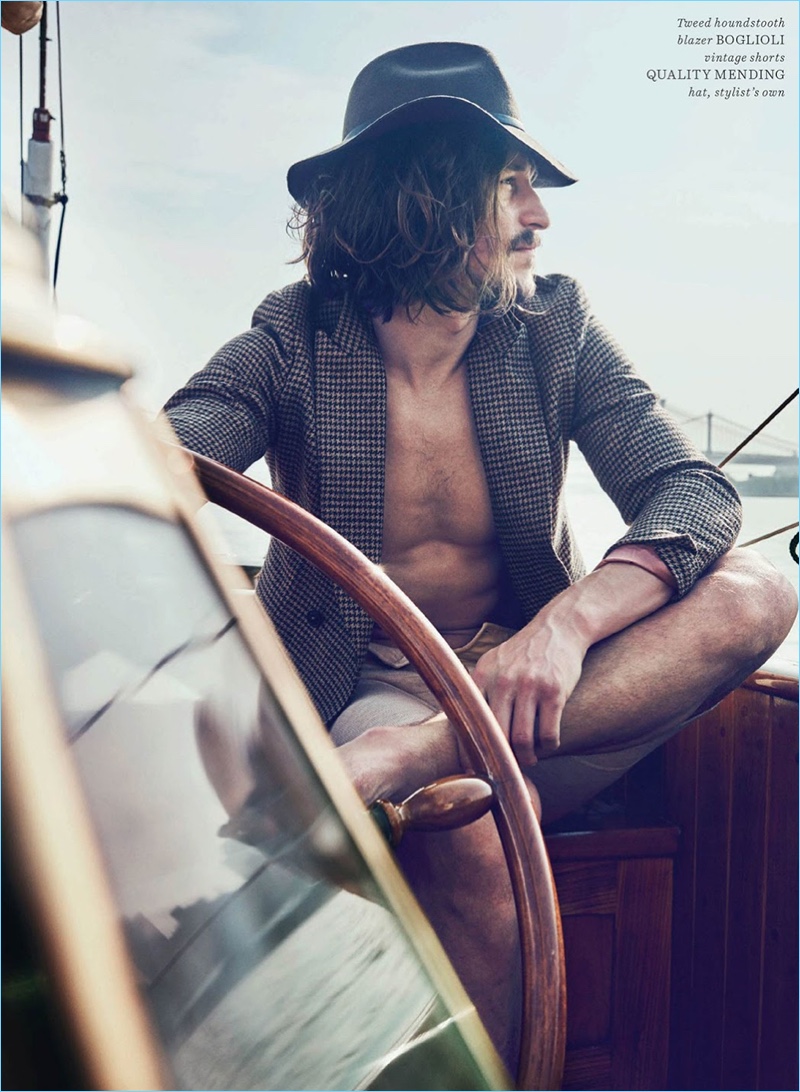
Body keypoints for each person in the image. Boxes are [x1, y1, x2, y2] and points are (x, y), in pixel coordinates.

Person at [164, 42, 797, 1072]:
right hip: (373, 692)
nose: (538, 217)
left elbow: (693, 493)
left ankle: (415, 758)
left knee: (757, 590)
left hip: (548, 701)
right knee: (471, 826)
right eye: (511, 187)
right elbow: (161, 458)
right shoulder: (292, 340)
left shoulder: (555, 327)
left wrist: (564, 629)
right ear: (423, 196)